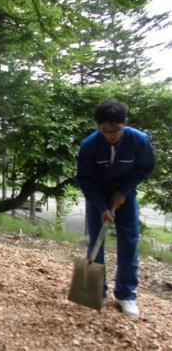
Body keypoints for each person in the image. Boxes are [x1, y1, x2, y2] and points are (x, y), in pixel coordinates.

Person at [76, 100, 155, 317]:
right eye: (104, 131)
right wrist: (102, 206)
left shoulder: (139, 140)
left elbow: (144, 168)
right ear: (98, 127)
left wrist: (123, 193)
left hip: (125, 195)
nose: (110, 135)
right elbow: (84, 178)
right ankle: (94, 291)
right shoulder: (90, 145)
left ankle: (126, 295)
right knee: (96, 242)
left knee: (129, 241)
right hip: (97, 195)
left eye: (115, 130)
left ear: (125, 123)